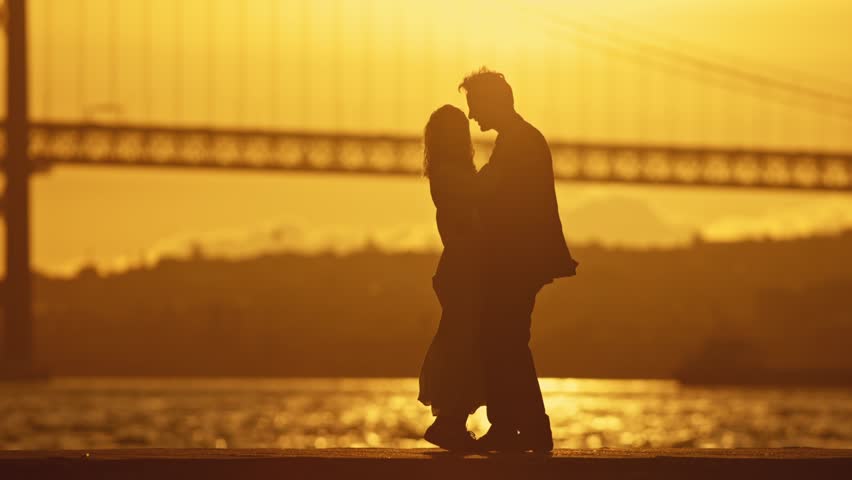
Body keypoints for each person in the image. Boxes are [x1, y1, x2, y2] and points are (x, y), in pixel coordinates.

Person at [459, 68, 579, 453]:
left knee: (504, 341)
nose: (472, 115)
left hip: (516, 261)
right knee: (505, 341)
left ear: (494, 101)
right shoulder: (520, 138)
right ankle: (515, 427)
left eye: (475, 105)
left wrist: (458, 179)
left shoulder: (519, 142)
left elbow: (489, 191)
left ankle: (525, 429)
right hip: (519, 260)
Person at [417, 105, 486, 451]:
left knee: (459, 342)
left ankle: (451, 421)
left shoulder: (442, 173)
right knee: (465, 345)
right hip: (465, 269)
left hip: (456, 268)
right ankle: (449, 423)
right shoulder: (455, 175)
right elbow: (476, 214)